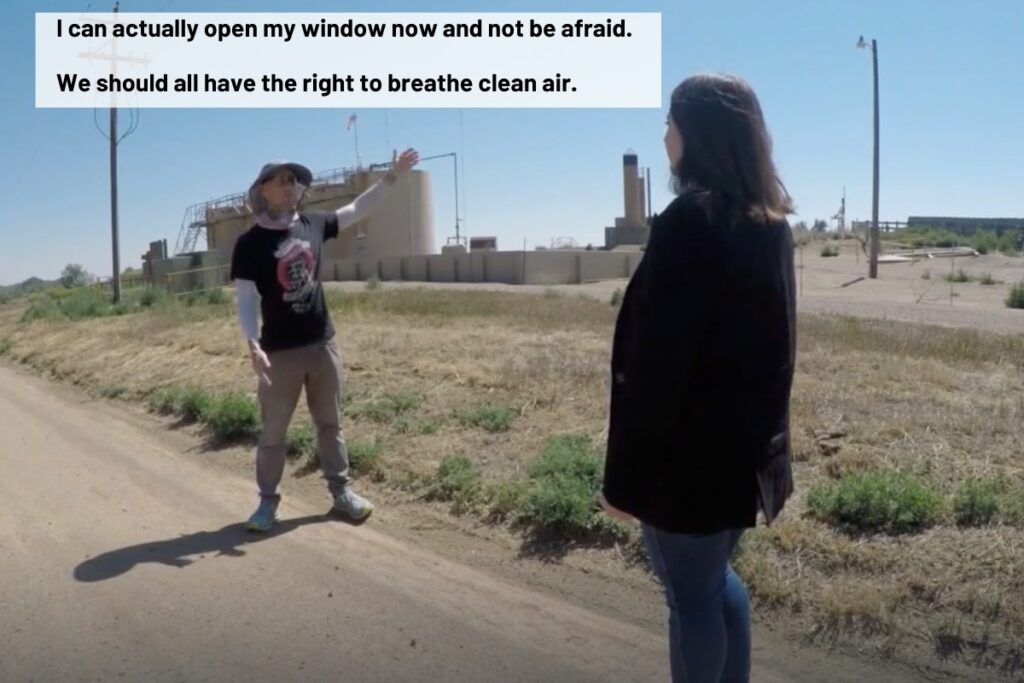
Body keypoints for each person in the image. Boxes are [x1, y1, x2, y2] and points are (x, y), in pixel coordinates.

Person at [599, 73, 797, 683]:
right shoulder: (771, 225)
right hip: (741, 460)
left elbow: (657, 367)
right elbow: (779, 351)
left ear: (698, 133)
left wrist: (623, 482)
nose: (663, 135)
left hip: (684, 469)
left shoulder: (690, 221)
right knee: (715, 582)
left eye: (670, 120)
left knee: (690, 599)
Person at [230, 148, 420, 532]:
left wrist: (392, 177)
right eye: (281, 180)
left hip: (322, 346)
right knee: (273, 433)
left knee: (330, 425)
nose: (290, 186)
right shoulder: (249, 244)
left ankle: (341, 494)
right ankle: (267, 504)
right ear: (261, 191)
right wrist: (252, 343)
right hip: (278, 354)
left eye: (294, 180)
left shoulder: (314, 224)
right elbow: (247, 299)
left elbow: (359, 209)